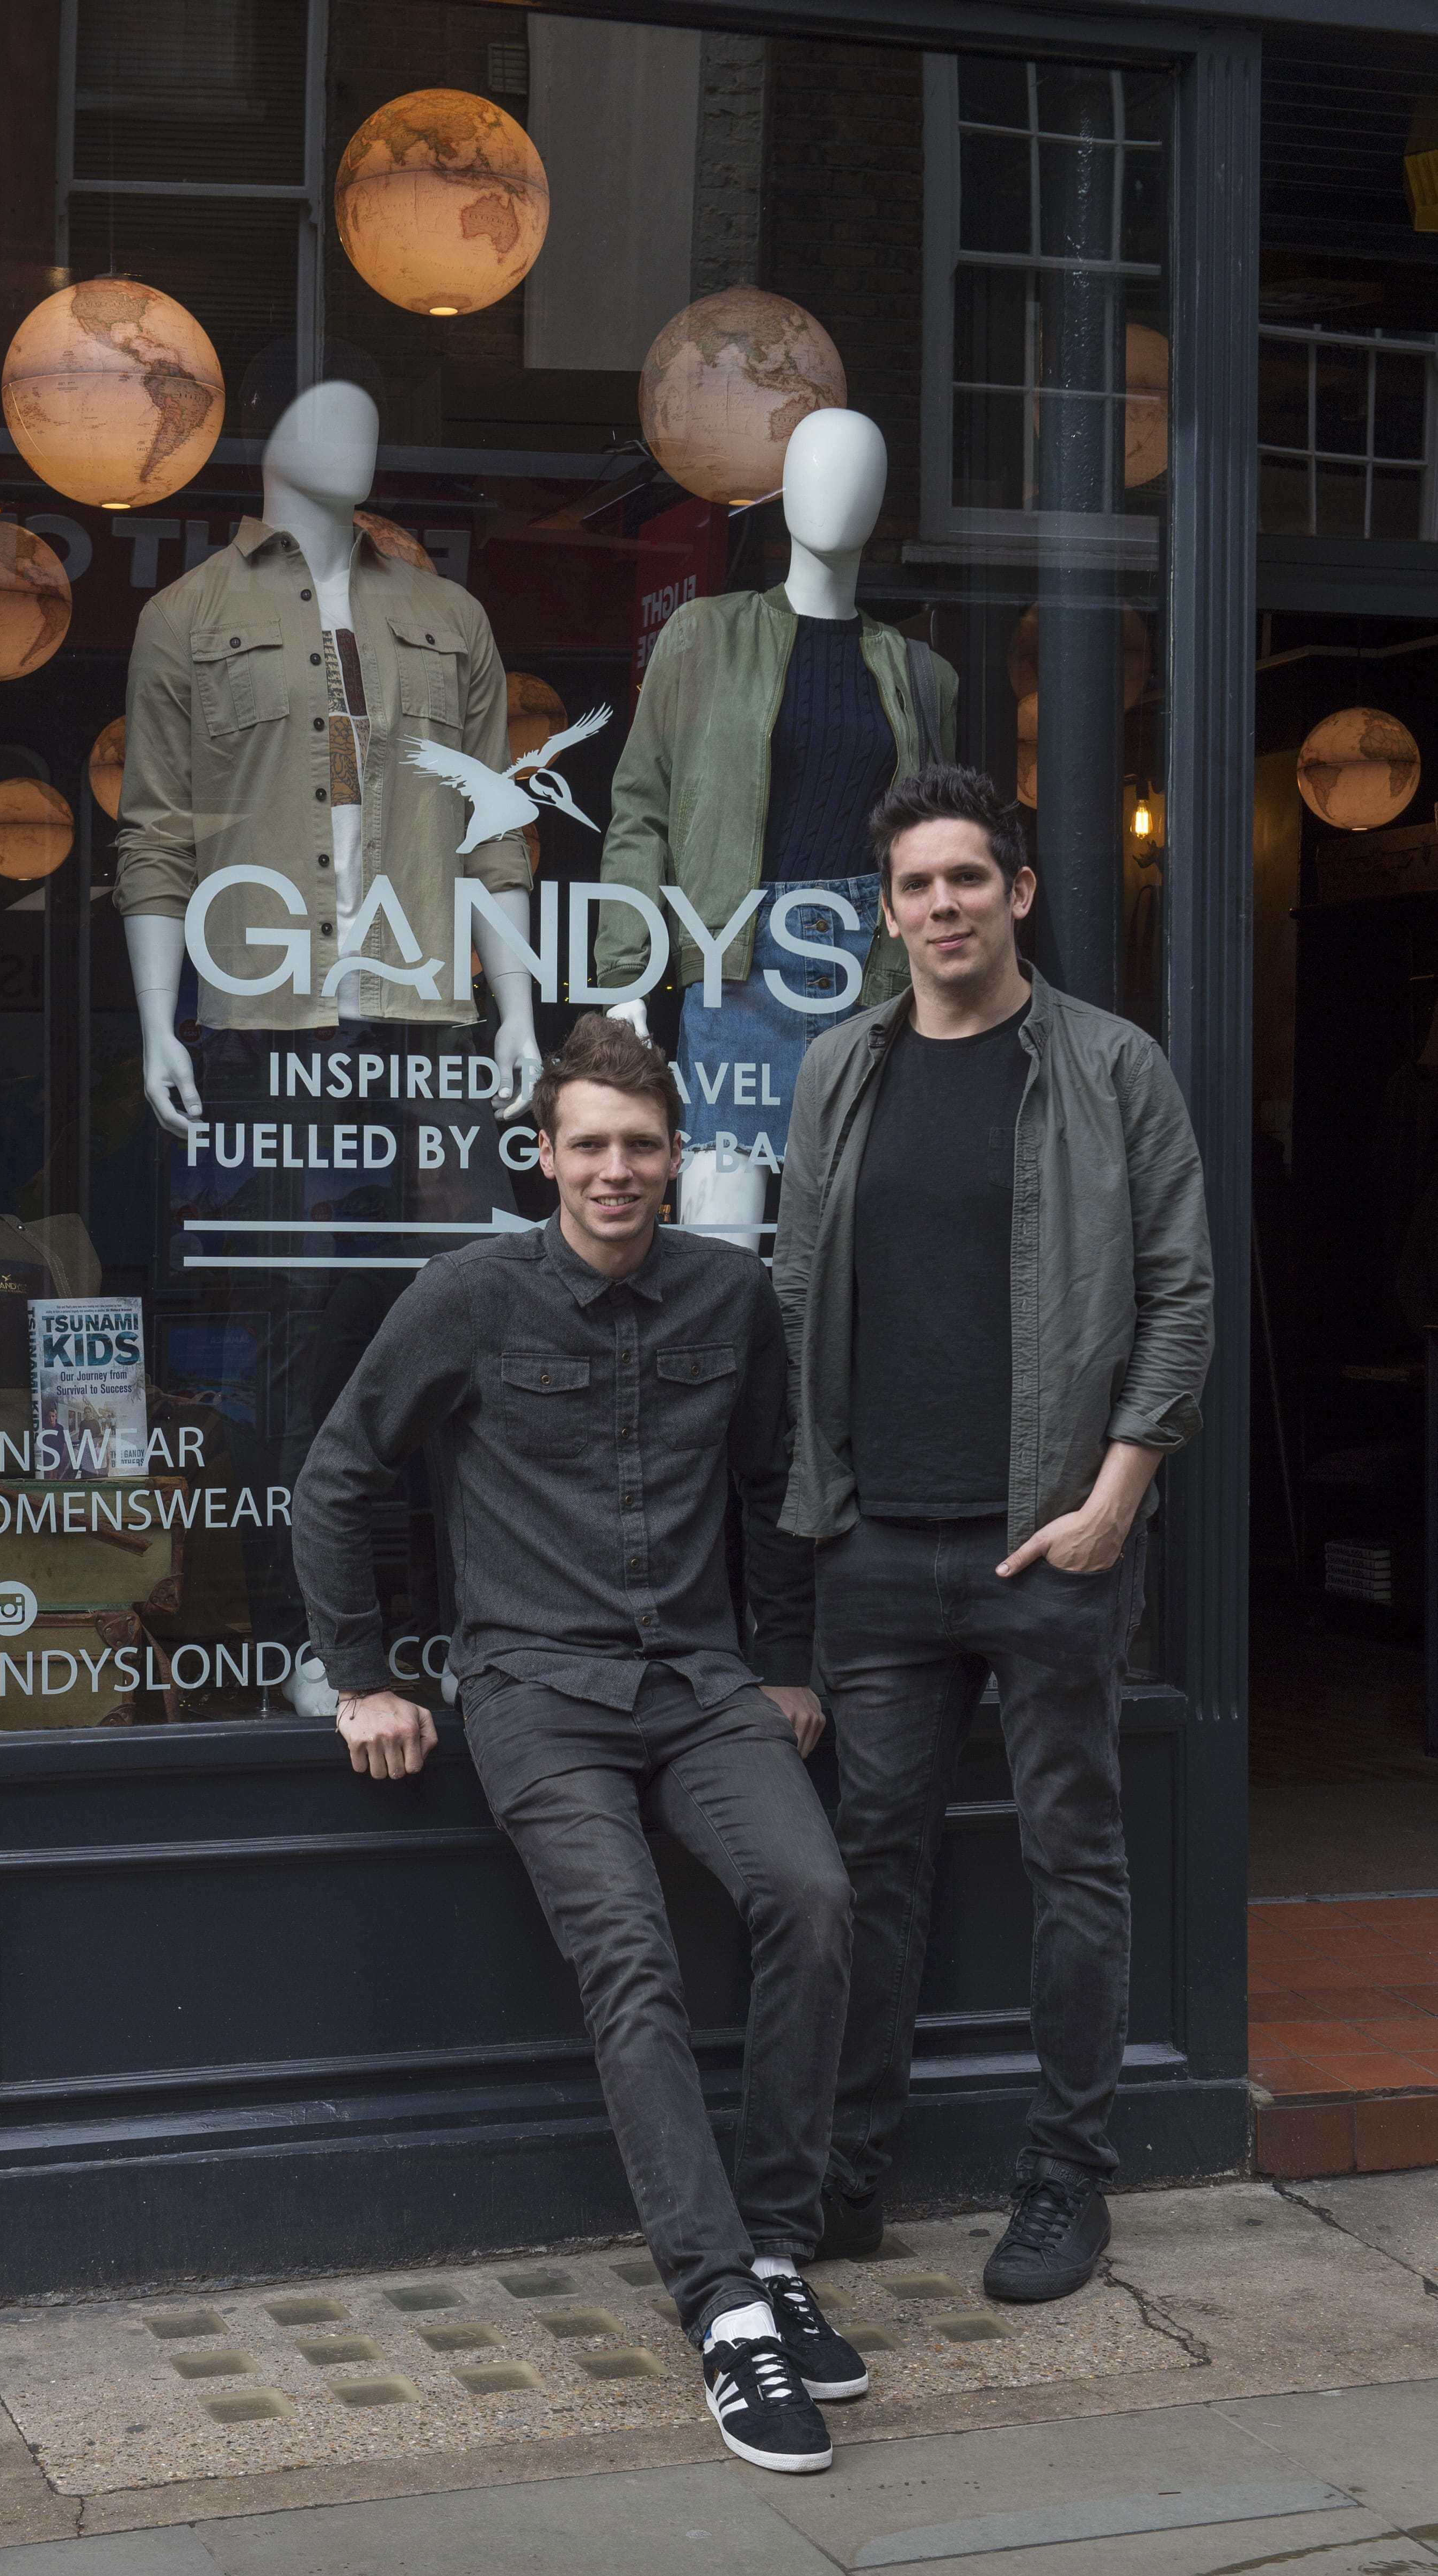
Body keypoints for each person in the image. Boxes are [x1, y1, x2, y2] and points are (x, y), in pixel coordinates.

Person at [293, 1013, 865, 2474]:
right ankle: (723, 2303)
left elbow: (772, 1487)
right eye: (590, 1145)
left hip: (699, 1682)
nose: (616, 1170)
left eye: (642, 1145)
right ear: (542, 1154)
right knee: (632, 1954)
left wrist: (786, 1663)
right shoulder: (469, 1296)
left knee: (813, 1897)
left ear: (676, 1161)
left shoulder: (731, 1297)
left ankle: (780, 2247)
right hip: (538, 1691)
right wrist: (362, 1676)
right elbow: (336, 1481)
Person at [774, 764, 1214, 2304]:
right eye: (917, 886)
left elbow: (1181, 1295)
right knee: (868, 1870)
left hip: (1052, 1546)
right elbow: (795, 1291)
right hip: (877, 1547)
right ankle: (845, 2178)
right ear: (887, 910)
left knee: (1071, 1861)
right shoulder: (839, 1068)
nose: (944, 906)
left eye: (970, 878)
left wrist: (1114, 1499)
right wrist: (813, 1516)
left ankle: (1063, 2178)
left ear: (1018, 892)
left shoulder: (1110, 1067)